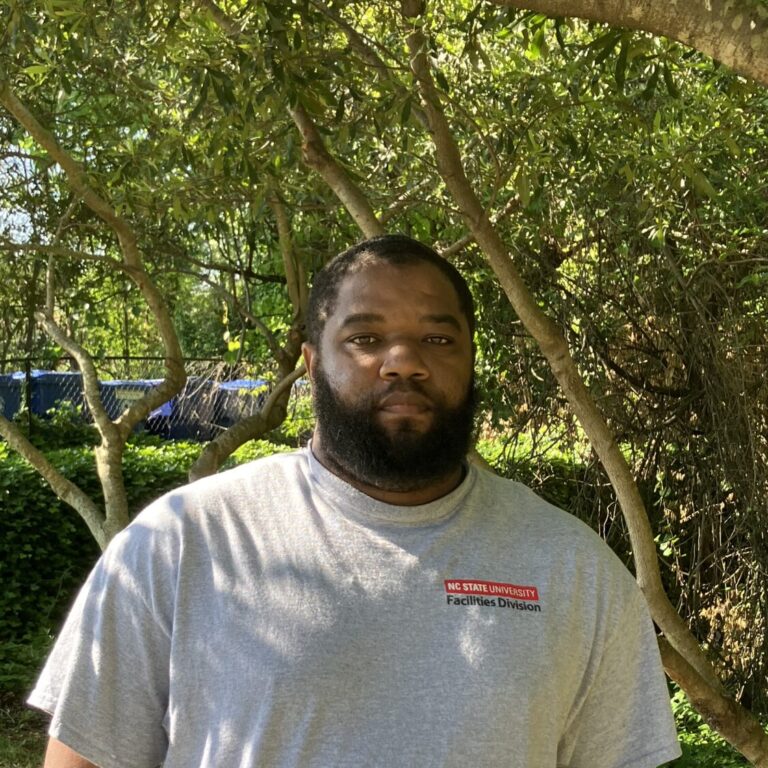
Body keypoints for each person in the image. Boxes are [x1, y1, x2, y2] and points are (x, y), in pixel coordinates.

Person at [30, 234, 681, 768]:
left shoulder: (572, 568)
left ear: (472, 359)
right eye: (366, 339)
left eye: (438, 338)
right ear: (311, 364)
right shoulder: (184, 541)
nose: (403, 361)